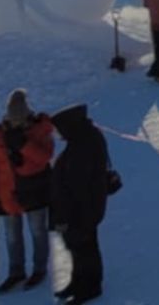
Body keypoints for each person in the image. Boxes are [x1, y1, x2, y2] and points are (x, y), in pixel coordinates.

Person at [0, 89, 55, 293]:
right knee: (12, 236)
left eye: (20, 121)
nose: (16, 124)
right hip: (8, 194)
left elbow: (44, 158)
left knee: (38, 232)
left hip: (35, 193)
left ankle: (40, 268)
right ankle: (16, 272)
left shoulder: (39, 129)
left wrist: (23, 146)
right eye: (12, 120)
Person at [49, 103, 111, 304]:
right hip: (85, 207)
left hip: (81, 209)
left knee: (84, 247)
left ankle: (90, 287)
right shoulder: (84, 137)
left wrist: (70, 214)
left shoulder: (82, 145)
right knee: (80, 247)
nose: (58, 134)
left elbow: (78, 184)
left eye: (60, 130)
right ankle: (78, 282)